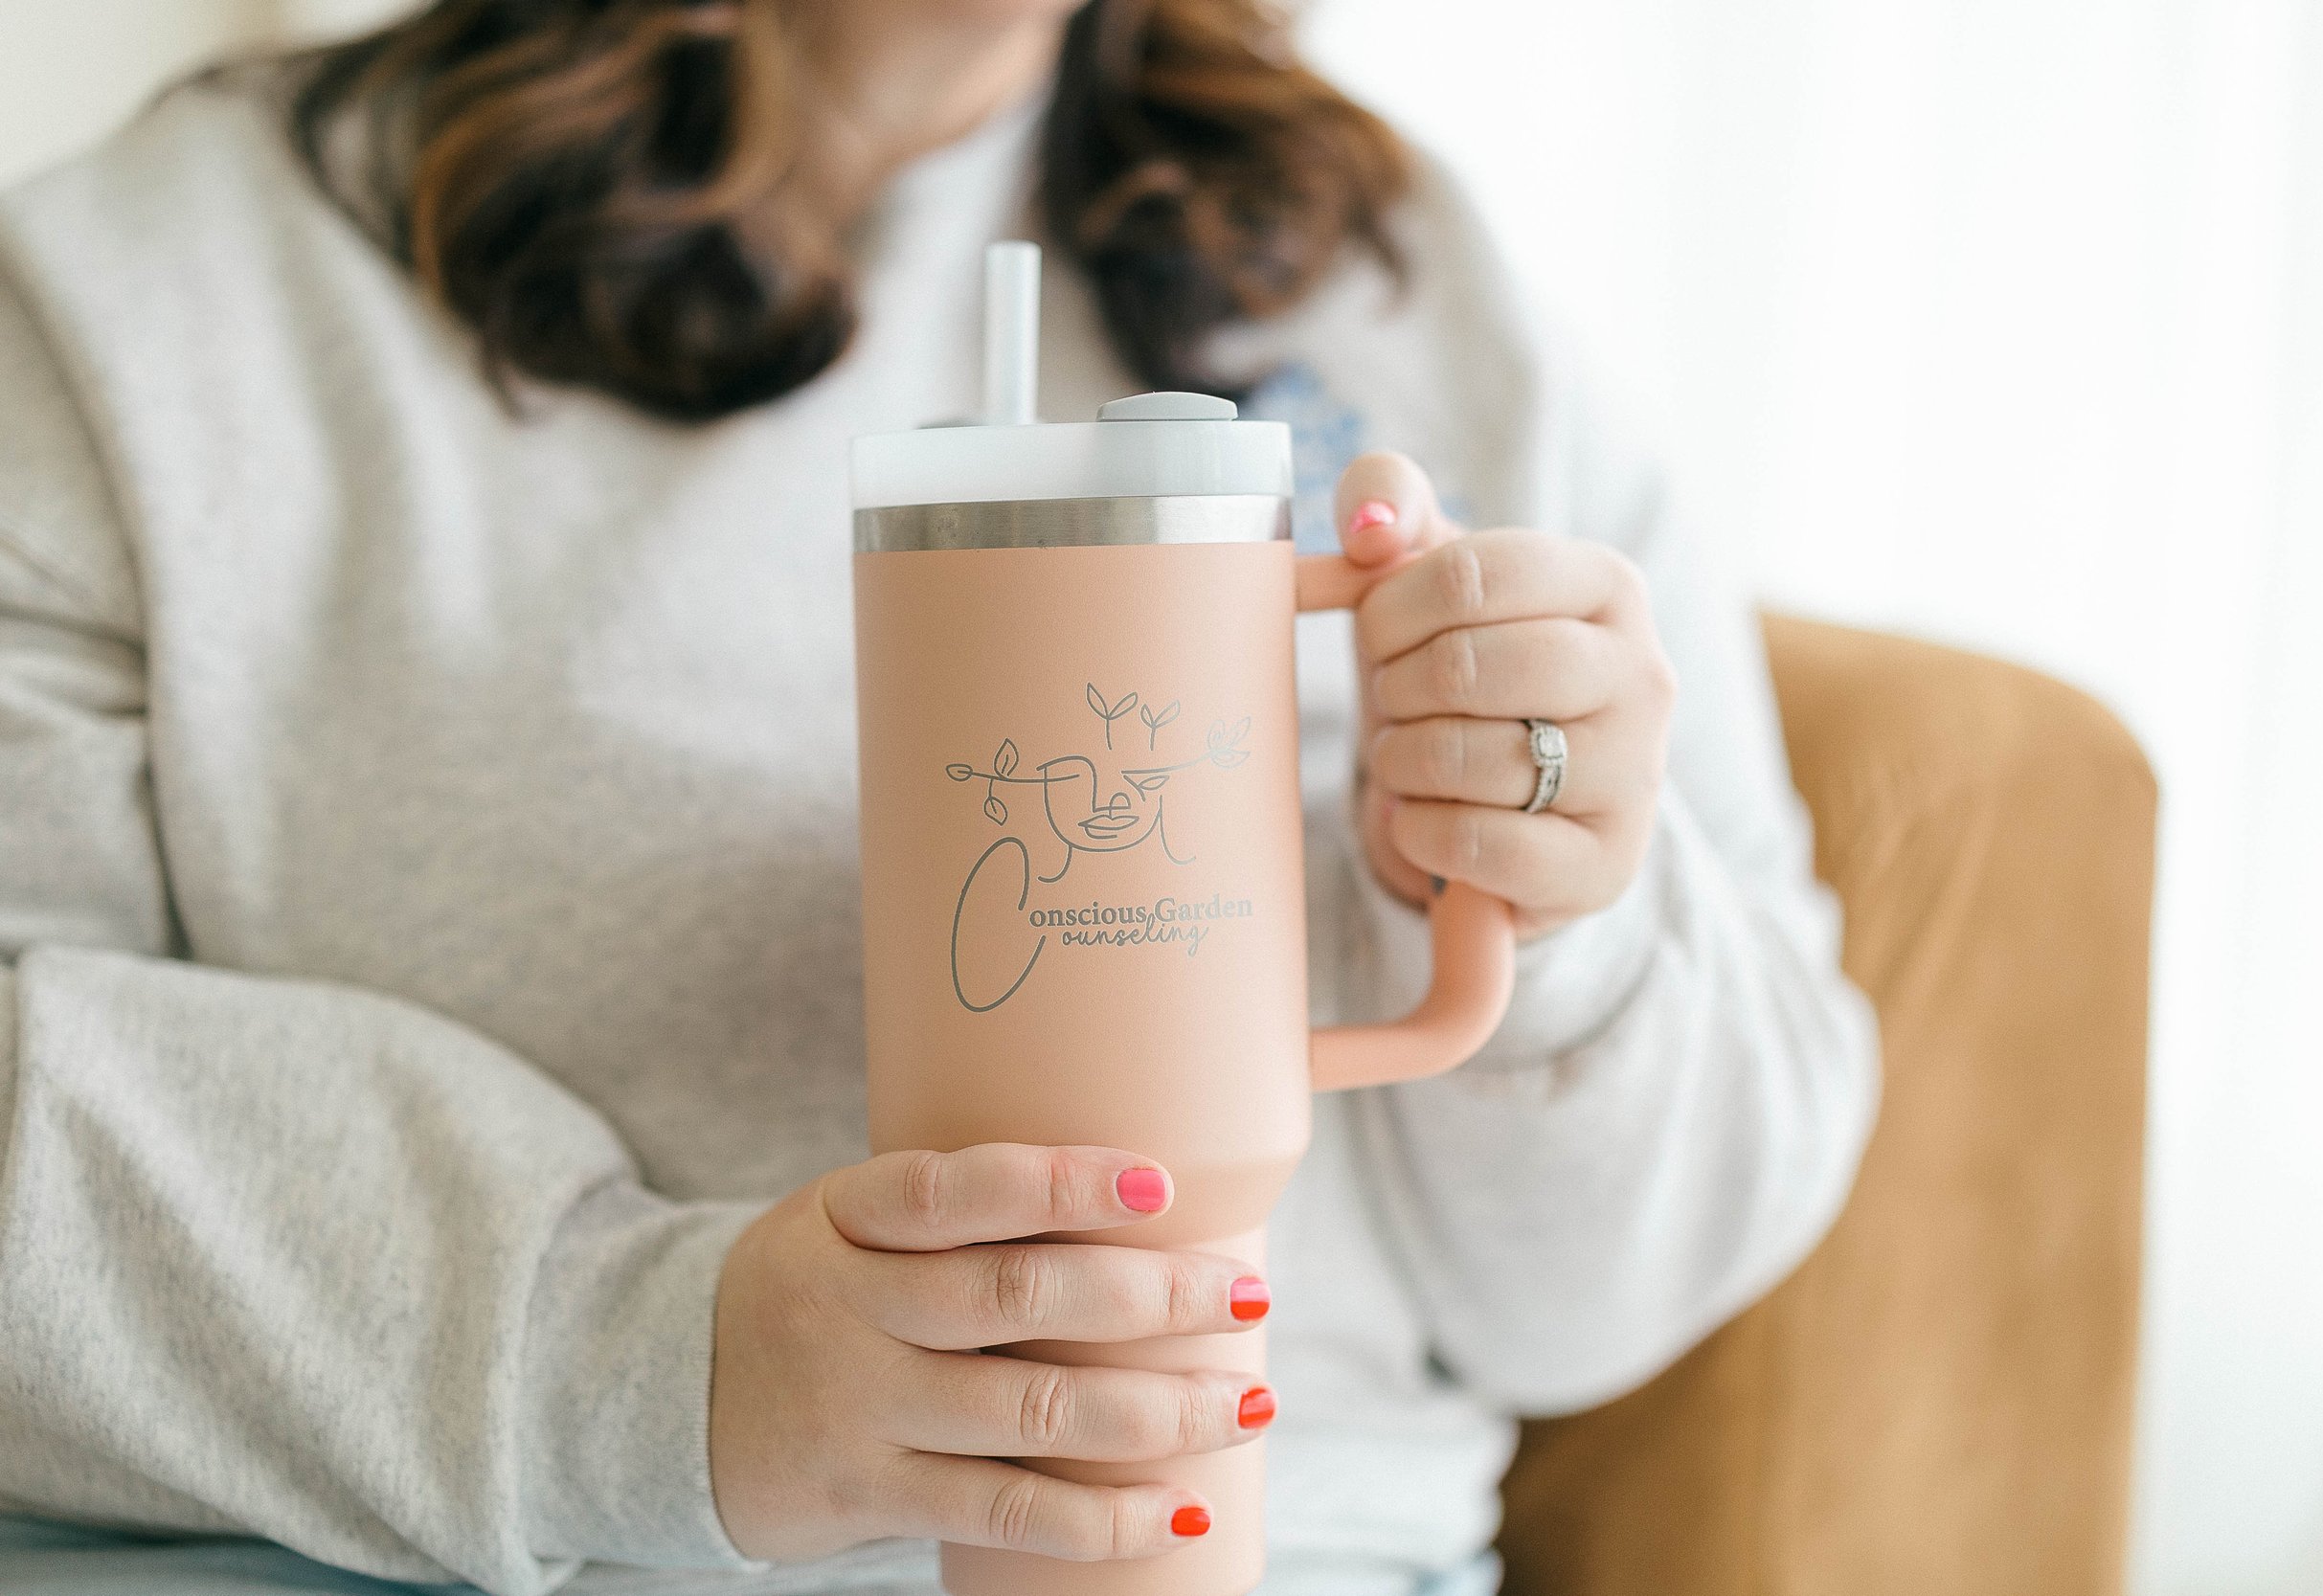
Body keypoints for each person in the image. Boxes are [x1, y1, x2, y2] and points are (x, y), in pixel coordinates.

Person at [0, 2, 1877, 1593]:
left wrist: (1548, 919)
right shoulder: (161, 304)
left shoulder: (1402, 283)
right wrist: (633, 1365)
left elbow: (1637, 1281)